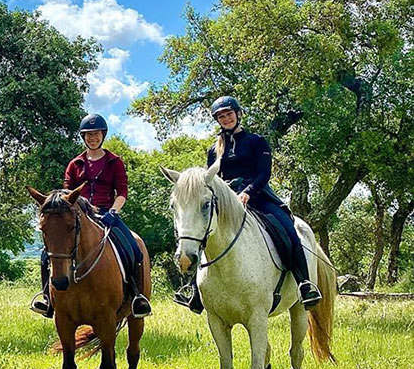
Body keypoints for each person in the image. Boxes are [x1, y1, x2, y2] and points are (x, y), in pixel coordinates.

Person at [174, 96, 323, 313]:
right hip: (226, 203)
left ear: (238, 114)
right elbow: (210, 181)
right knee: (200, 232)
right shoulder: (214, 150)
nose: (226, 119)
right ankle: (196, 291)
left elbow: (264, 173)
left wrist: (247, 193)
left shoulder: (257, 141)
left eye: (229, 114)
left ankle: (304, 283)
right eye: (221, 116)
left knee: (288, 229)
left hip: (259, 197)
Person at [31, 114, 151, 319]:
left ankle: (137, 297)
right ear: (83, 137)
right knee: (46, 254)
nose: (92, 138)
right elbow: (67, 195)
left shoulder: (115, 162)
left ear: (102, 135)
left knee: (134, 248)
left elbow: (122, 192)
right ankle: (47, 298)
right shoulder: (75, 164)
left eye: (96, 134)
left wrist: (113, 212)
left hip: (107, 213)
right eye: (88, 135)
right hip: (79, 215)